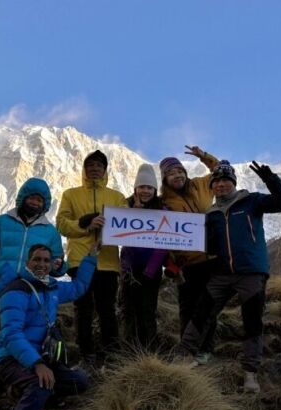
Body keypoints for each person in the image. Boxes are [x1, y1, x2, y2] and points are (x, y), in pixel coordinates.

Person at [180, 160, 281, 393]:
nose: (220, 185)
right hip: (221, 273)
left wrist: (271, 179)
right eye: (217, 181)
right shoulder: (211, 214)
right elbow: (206, 245)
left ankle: (250, 374)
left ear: (233, 182)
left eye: (225, 181)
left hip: (251, 272)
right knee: (202, 312)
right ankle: (183, 357)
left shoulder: (252, 201)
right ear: (212, 186)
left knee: (251, 320)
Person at [0, 243, 98, 410]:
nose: (42, 264)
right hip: (9, 358)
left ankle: (21, 392)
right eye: (37, 260)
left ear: (52, 265)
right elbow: (11, 334)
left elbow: (78, 288)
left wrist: (90, 258)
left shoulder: (52, 287)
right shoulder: (16, 290)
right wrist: (36, 364)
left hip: (39, 356)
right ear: (28, 262)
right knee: (41, 388)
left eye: (47, 261)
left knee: (80, 382)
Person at [0, 178, 67, 396]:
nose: (34, 202)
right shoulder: (0, 223)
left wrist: (61, 267)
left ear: (45, 204)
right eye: (31, 197)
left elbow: (56, 263)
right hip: (1, 290)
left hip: (33, 294)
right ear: (22, 198)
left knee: (27, 336)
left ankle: (22, 381)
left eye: (39, 199)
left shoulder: (50, 232)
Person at [56, 150, 126, 366]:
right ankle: (86, 352)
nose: (95, 168)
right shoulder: (70, 194)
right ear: (84, 169)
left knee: (107, 309)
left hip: (107, 261)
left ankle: (111, 352)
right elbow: (61, 224)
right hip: (79, 260)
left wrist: (110, 235)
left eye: (99, 165)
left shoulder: (117, 197)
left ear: (105, 170)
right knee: (83, 309)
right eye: (90, 165)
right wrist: (84, 224)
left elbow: (125, 225)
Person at [158, 145, 220, 336]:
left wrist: (205, 156)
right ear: (165, 179)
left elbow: (221, 170)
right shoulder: (163, 202)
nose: (177, 175)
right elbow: (161, 235)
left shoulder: (201, 185)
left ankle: (206, 351)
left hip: (211, 257)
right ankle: (187, 350)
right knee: (188, 307)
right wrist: (171, 263)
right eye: (171, 173)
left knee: (209, 306)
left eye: (179, 171)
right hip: (186, 263)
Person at [118, 163, 168, 348]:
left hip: (151, 271)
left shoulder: (163, 210)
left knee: (148, 311)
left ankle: (150, 350)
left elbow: (163, 244)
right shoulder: (125, 207)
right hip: (129, 270)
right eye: (142, 187)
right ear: (135, 189)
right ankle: (130, 350)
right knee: (128, 310)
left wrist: (150, 270)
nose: (145, 191)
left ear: (155, 190)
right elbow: (121, 236)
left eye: (149, 187)